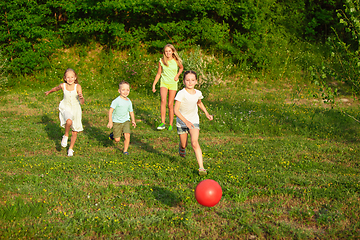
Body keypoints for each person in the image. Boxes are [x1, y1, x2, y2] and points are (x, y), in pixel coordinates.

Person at [174, 70, 213, 176]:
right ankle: (181, 147)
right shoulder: (181, 93)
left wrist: (206, 113)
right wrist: (185, 121)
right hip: (182, 122)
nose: (190, 82)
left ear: (196, 81)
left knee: (194, 142)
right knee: (184, 144)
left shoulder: (198, 93)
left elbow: (199, 103)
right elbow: (176, 110)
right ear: (183, 81)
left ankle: (201, 167)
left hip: (194, 121)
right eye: (187, 80)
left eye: (192, 80)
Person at [45, 68, 84, 157]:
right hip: (66, 107)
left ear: (75, 78)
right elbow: (56, 88)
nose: (70, 79)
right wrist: (49, 92)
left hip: (76, 109)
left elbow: (82, 102)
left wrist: (81, 97)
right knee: (69, 121)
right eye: (68, 77)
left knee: (75, 131)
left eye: (72, 77)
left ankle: (70, 149)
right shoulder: (63, 86)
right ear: (65, 78)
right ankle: (66, 135)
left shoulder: (78, 87)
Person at [152, 44, 184, 131]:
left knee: (170, 104)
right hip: (164, 83)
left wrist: (177, 75)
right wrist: (154, 84)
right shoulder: (161, 61)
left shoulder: (176, 60)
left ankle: (170, 124)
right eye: (166, 51)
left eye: (169, 51)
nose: (168, 53)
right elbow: (159, 74)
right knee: (163, 101)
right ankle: (163, 122)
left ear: (172, 51)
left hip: (173, 84)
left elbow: (181, 68)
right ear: (164, 52)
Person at [107, 81, 136, 155]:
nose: (125, 92)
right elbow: (110, 111)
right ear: (119, 91)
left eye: (127, 90)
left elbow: (131, 112)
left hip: (126, 120)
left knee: (127, 135)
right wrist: (110, 121)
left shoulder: (129, 101)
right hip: (117, 121)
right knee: (117, 139)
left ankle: (125, 151)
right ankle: (113, 135)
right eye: (123, 90)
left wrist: (133, 120)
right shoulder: (116, 101)